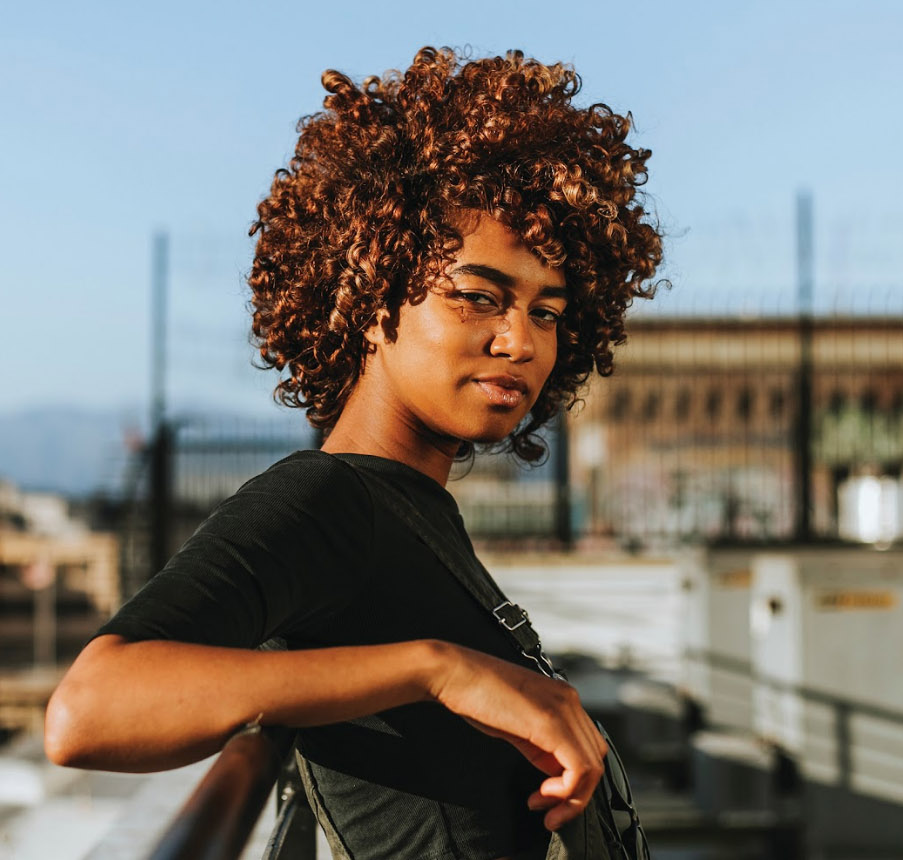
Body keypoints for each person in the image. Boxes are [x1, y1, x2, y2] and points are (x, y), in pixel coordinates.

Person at [45, 46, 663, 859]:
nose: (519, 340)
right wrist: (438, 670)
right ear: (373, 301)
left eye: (546, 312)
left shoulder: (410, 513)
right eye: (479, 296)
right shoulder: (329, 501)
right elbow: (89, 709)